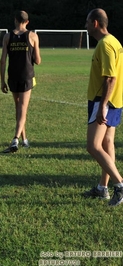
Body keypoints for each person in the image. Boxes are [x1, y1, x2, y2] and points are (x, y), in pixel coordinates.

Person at [82, 8, 123, 206]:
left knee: (93, 146)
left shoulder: (105, 45)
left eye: (88, 22)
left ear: (95, 23)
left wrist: (101, 107)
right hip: (115, 101)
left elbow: (110, 78)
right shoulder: (115, 41)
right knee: (108, 144)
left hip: (104, 101)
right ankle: (102, 188)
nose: (86, 26)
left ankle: (120, 184)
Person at [0, 10, 41, 153]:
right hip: (27, 76)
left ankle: (24, 140)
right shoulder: (32, 36)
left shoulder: (7, 36)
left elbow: (3, 60)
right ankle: (16, 139)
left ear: (15, 20)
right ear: (27, 22)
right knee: (22, 109)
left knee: (18, 108)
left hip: (12, 76)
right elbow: (38, 60)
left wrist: (2, 81)